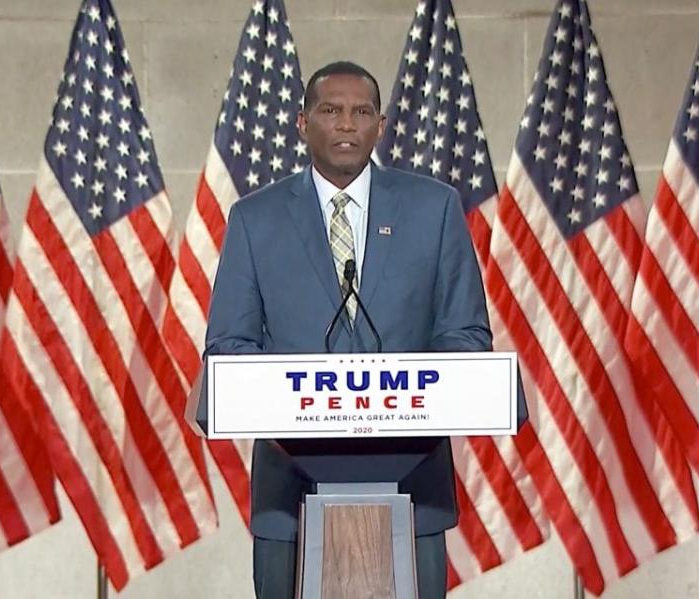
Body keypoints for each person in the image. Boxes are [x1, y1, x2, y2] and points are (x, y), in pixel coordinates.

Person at [205, 61, 493, 599]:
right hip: (288, 494)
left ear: (380, 127)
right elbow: (229, 346)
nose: (345, 125)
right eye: (330, 111)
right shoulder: (254, 218)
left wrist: (401, 391)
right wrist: (310, 390)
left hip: (413, 487)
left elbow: (467, 336)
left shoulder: (434, 209)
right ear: (302, 124)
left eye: (361, 113)